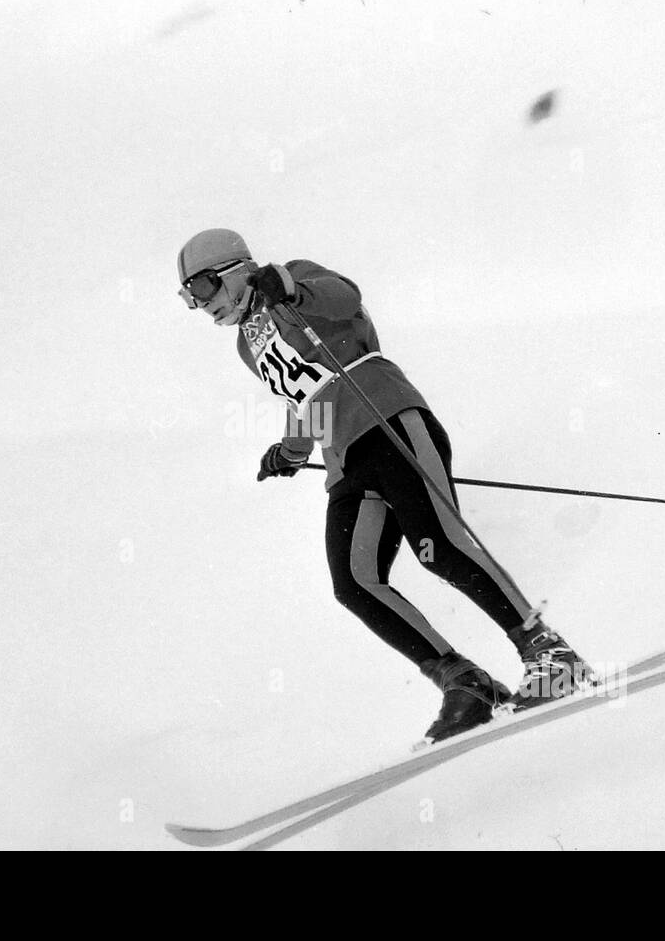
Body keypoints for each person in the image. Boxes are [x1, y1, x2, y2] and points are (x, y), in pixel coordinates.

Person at [176, 228, 593, 742]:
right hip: (345, 457)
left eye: (202, 290)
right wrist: (290, 452)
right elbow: (305, 398)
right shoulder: (247, 343)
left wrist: (285, 285)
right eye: (190, 299)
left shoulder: (293, 279)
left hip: (387, 416)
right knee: (354, 583)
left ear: (233, 271)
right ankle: (465, 682)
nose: (201, 306)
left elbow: (345, 297)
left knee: (437, 545)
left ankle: (549, 653)